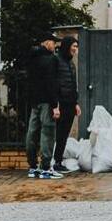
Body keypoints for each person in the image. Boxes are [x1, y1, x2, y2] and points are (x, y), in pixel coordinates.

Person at [23, 33, 62, 179]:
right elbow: (51, 83)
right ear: (46, 43)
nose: (55, 45)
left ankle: (33, 166)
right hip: (46, 101)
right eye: (53, 42)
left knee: (32, 132)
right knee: (47, 132)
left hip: (34, 100)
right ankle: (46, 167)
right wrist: (55, 105)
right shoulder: (51, 60)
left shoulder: (32, 58)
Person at [51, 36, 81, 174]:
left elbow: (73, 85)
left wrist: (76, 103)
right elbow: (54, 84)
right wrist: (55, 105)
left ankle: (58, 161)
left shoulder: (71, 64)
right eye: (73, 46)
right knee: (56, 133)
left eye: (76, 47)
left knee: (64, 134)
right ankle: (51, 161)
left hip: (69, 104)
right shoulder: (57, 61)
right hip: (60, 104)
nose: (75, 49)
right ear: (67, 46)